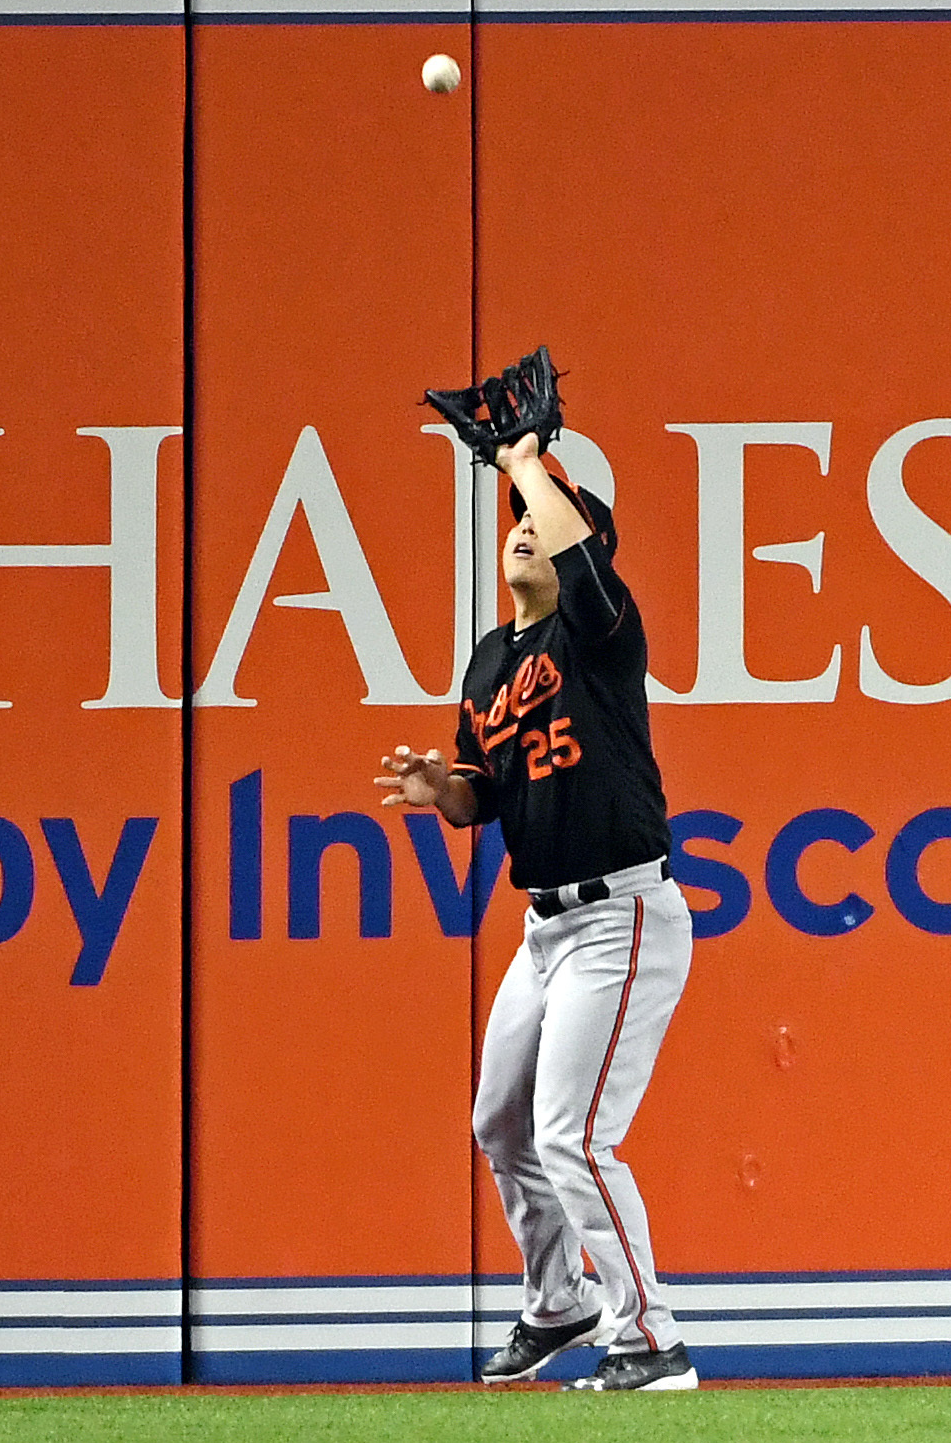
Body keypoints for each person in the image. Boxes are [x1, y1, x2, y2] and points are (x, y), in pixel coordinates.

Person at [375, 432, 697, 1392]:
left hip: (623, 913)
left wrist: (523, 462)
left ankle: (652, 1342)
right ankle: (560, 1303)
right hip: (545, 927)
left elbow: (573, 551)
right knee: (503, 1127)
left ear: (581, 550)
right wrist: (447, 792)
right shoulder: (487, 664)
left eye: (541, 525)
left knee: (572, 1135)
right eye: (513, 522)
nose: (521, 532)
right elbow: (487, 795)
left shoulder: (598, 632)